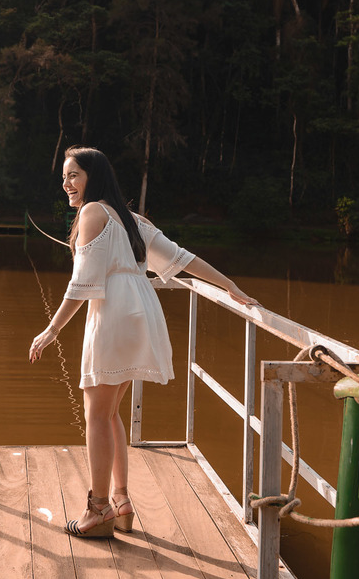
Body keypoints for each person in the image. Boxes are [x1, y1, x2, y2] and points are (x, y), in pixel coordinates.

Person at [29, 146, 259, 537]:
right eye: (64, 176)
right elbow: (182, 258)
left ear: (93, 176)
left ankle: (98, 510)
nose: (66, 183)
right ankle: (121, 502)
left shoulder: (92, 212)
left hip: (114, 314)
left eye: (73, 175)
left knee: (97, 415)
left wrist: (52, 329)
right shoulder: (131, 219)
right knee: (111, 411)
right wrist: (230, 284)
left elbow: (82, 282)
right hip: (142, 312)